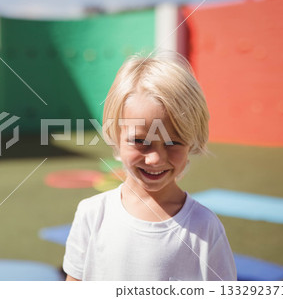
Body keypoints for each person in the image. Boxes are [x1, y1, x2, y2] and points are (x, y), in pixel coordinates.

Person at [63, 53, 237, 281]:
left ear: (191, 141)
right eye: (140, 141)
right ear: (116, 135)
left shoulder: (204, 228)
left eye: (173, 142)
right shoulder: (91, 214)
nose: (155, 159)